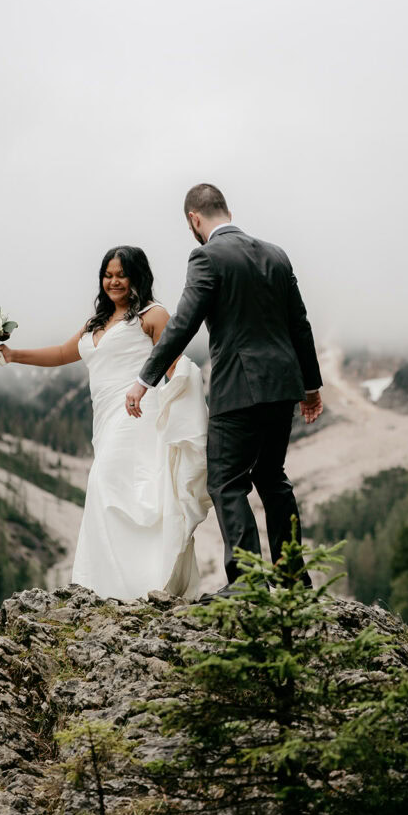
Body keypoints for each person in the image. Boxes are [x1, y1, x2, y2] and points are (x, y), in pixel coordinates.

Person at [125, 184, 323, 599]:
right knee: (273, 478)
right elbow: (299, 323)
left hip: (239, 387)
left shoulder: (206, 256)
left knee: (226, 480)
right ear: (225, 210)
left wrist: (145, 379)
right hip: (284, 384)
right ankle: (294, 581)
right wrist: (310, 386)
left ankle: (250, 583)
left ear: (194, 219)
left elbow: (184, 323)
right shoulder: (276, 254)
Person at [0, 246, 210, 601]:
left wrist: (184, 396)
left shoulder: (153, 315)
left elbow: (173, 363)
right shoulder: (96, 322)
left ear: (137, 275)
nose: (113, 281)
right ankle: (109, 587)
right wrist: (14, 355)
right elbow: (63, 353)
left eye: (121, 274)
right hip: (106, 419)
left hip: (139, 413)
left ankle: (146, 580)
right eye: (107, 275)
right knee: (112, 490)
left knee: (116, 485)